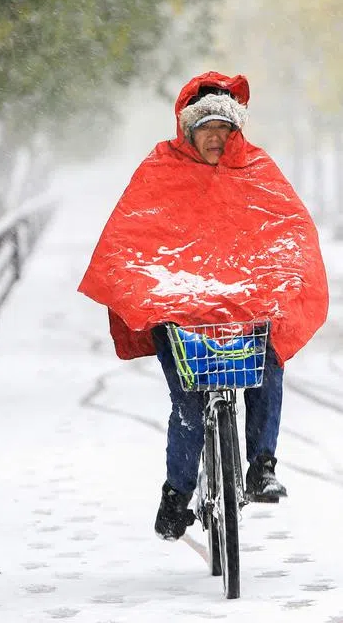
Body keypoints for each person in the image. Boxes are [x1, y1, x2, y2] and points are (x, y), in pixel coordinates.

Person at [78, 71, 329, 541]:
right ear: (187, 128)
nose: (215, 137)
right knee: (189, 406)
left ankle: (262, 465)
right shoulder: (161, 169)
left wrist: (284, 276)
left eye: (224, 128)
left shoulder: (256, 170)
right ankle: (176, 495)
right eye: (206, 127)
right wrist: (147, 289)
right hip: (180, 314)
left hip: (245, 312)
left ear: (236, 131)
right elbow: (131, 238)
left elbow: (289, 232)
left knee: (267, 365)